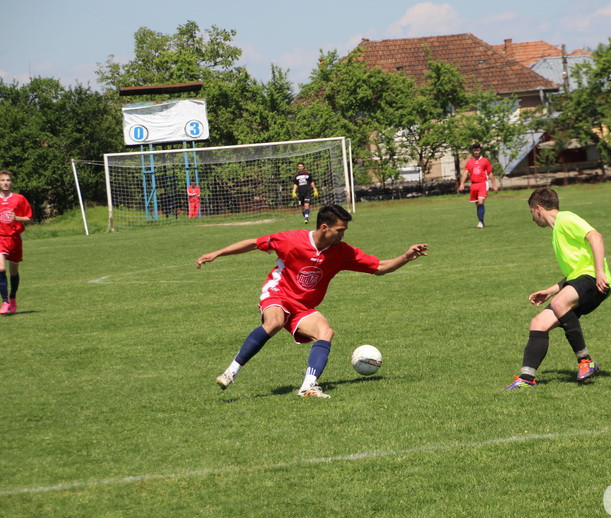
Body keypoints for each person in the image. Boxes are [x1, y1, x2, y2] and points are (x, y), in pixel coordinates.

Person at [196, 204, 428, 398]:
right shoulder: (292, 240)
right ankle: (230, 372)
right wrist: (217, 253)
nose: (343, 235)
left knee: (325, 332)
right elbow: (253, 243)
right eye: (340, 230)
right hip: (278, 293)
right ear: (324, 227)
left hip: (303, 307)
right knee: (274, 322)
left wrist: (406, 257)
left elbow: (379, 267)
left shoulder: (341, 252)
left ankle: (308, 387)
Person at [506, 187, 611, 390]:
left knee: (559, 303)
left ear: (538, 208)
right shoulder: (557, 232)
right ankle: (527, 378)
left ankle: (585, 361)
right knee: (538, 323)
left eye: (531, 212)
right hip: (582, 279)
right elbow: (574, 274)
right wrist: (550, 290)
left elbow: (596, 236)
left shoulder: (566, 218)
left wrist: (600, 272)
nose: (532, 218)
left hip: (593, 279)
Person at [0, 170, 34, 315]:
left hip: (15, 238)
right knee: (1, 268)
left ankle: (13, 298)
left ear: (11, 182)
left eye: (8, 180)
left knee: (14, 272)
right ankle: (4, 302)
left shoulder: (19, 198)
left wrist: (16, 218)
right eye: (3, 180)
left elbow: (29, 219)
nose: (6, 183)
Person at [458, 142, 498, 228]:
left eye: (478, 150)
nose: (476, 152)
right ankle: (481, 221)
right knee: (477, 204)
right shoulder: (469, 162)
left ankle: (480, 222)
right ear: (473, 151)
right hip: (474, 185)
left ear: (480, 150)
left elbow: (490, 173)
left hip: (483, 184)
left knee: (480, 202)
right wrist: (462, 184)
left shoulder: (485, 161)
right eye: (475, 150)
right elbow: (465, 173)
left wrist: (494, 185)